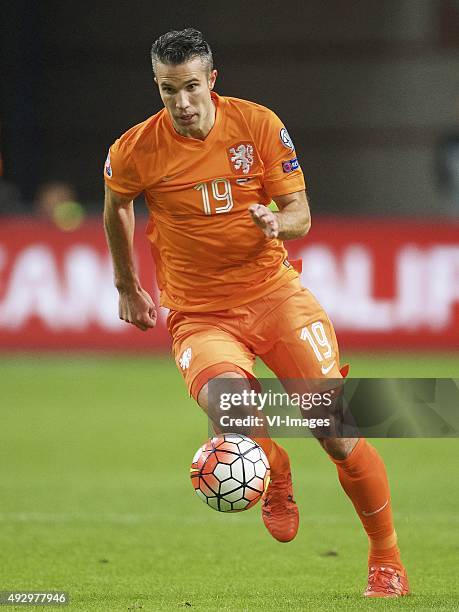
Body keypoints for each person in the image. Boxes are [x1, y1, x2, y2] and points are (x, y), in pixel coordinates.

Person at [103, 28, 409, 598]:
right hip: (200, 313)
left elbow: (300, 213)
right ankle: (274, 470)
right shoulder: (135, 148)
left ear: (211, 80)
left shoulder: (259, 126)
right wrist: (126, 284)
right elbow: (117, 204)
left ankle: (386, 559)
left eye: (191, 86)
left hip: (274, 295)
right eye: (168, 90)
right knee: (234, 414)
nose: (182, 102)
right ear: (157, 86)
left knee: (336, 431)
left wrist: (277, 223)